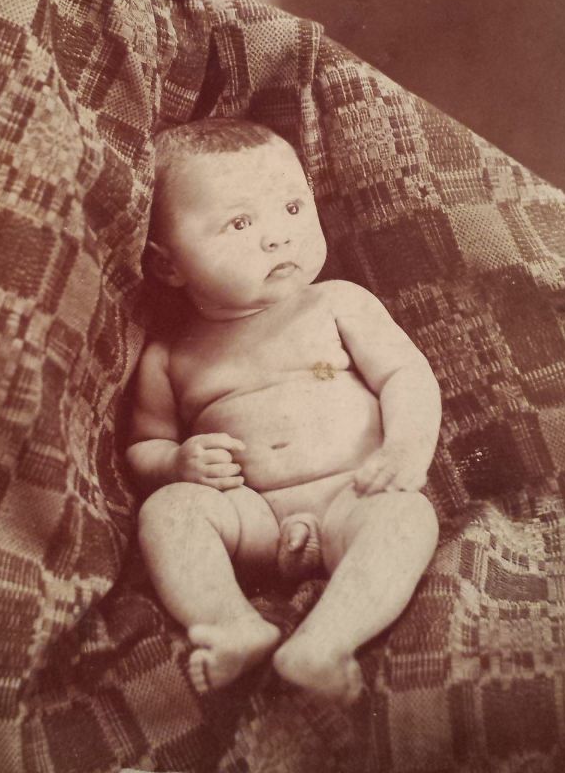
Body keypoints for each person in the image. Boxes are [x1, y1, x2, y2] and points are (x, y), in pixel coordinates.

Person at [127, 117, 441, 703]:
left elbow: (406, 374)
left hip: (355, 495)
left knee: (408, 518)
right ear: (168, 265)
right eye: (240, 223)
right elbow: (145, 446)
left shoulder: (337, 304)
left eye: (293, 208)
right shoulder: (169, 356)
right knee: (169, 512)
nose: (279, 238)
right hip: (254, 519)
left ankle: (325, 643)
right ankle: (228, 623)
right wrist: (175, 464)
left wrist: (406, 448)